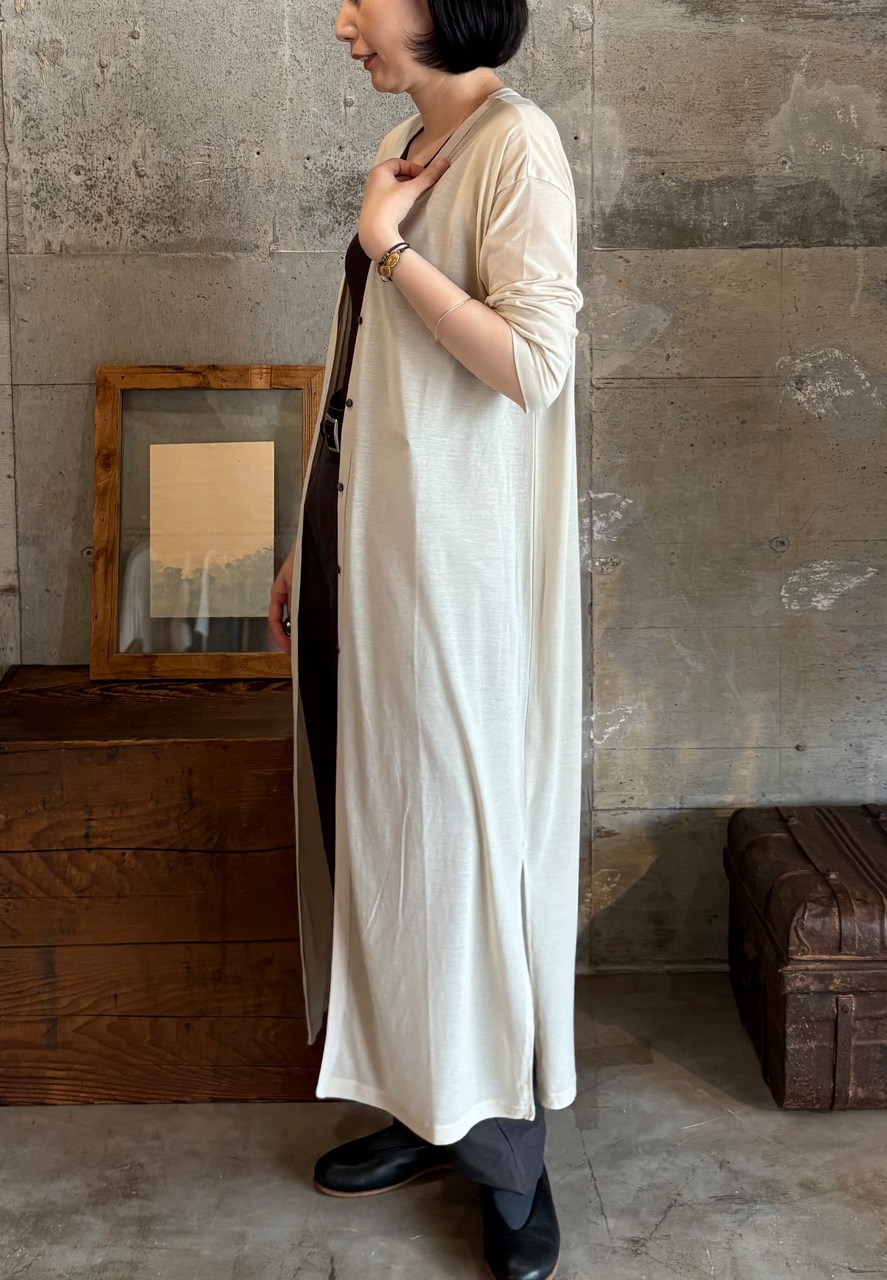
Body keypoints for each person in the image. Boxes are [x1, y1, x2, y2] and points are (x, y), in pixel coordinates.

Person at [268, 3, 584, 1277]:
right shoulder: (408, 142)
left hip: (453, 574)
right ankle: (424, 1101)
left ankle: (506, 1160)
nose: (342, 18)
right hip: (366, 544)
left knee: (460, 845)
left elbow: (533, 363)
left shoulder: (516, 146)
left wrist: (388, 248)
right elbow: (366, 370)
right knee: (384, 835)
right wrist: (308, 532)